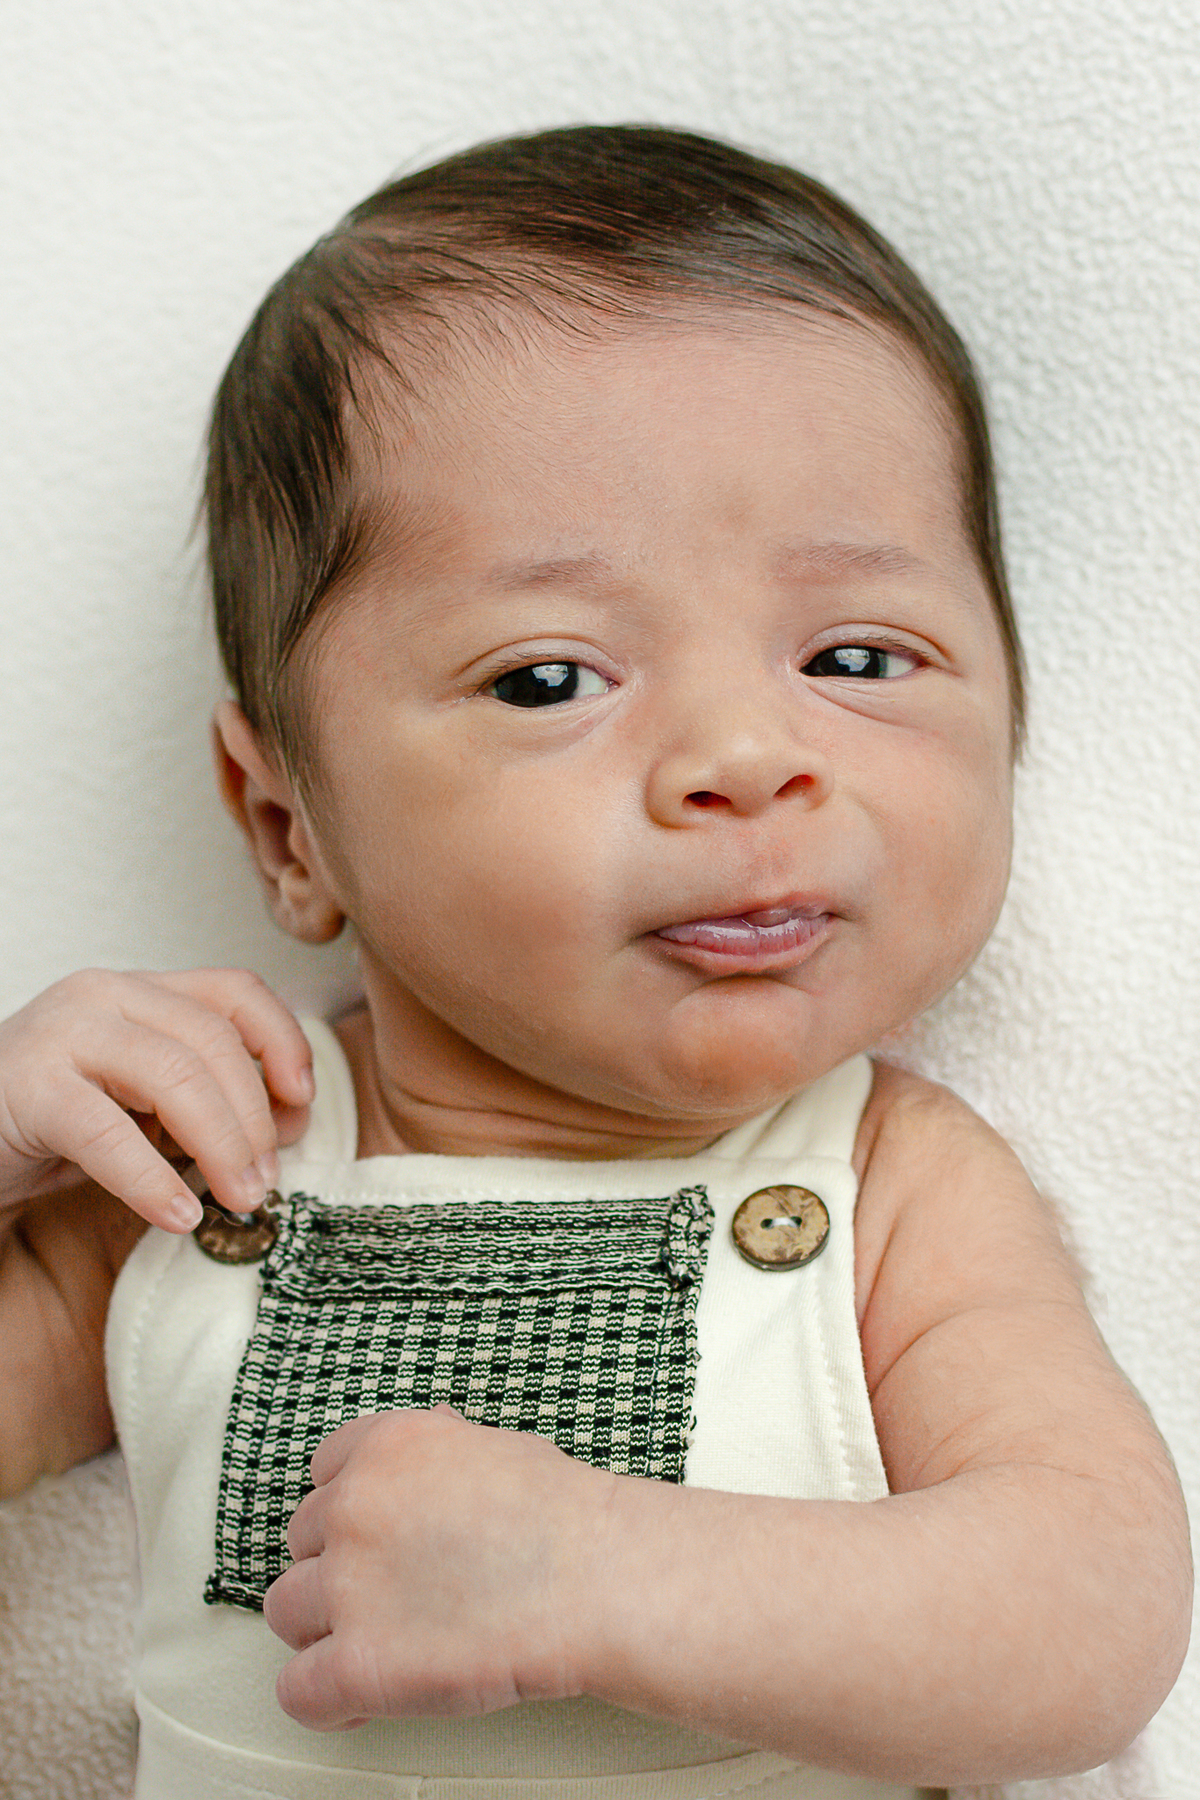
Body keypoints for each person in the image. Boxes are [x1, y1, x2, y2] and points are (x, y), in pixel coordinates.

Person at [0, 126, 1189, 1800]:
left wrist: (600, 1579)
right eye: (549, 679)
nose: (745, 758)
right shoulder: (199, 1167)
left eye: (857, 657)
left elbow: (1086, 1624)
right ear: (287, 826)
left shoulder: (893, 1192)